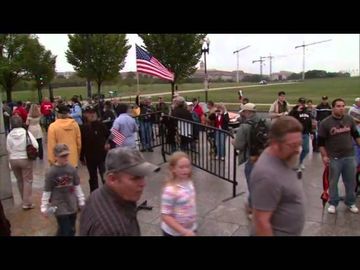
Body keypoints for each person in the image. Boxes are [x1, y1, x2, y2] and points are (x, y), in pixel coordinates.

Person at [80, 147, 160, 236]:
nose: (143, 184)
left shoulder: (97, 194)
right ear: (112, 179)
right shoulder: (111, 228)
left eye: (143, 176)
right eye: (136, 178)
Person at [250, 116, 305, 236]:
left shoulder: (285, 157)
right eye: (292, 145)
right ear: (275, 143)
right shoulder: (267, 176)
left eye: (299, 144)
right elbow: (261, 222)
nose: (298, 150)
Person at [318, 98, 360, 214]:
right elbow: (320, 143)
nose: (341, 108)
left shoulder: (349, 119)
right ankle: (333, 203)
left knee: (351, 181)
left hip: (349, 156)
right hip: (334, 157)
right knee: (333, 181)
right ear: (333, 107)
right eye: (338, 106)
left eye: (343, 106)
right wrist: (324, 156)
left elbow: (356, 135)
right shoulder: (325, 123)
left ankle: (350, 202)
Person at [232, 103, 271, 219]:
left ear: (247, 112)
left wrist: (233, 142)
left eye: (243, 112)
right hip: (266, 157)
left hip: (252, 158)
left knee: (252, 184)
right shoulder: (267, 122)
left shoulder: (244, 127)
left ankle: (252, 209)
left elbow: (239, 145)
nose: (243, 114)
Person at [40, 144, 85, 236]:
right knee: (66, 230)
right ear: (56, 156)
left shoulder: (72, 169)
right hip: (58, 206)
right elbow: (47, 190)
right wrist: (44, 207)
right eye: (62, 156)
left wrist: (81, 201)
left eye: (66, 155)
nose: (65, 158)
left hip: (72, 204)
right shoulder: (51, 172)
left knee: (71, 230)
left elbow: (77, 186)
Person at [161, 151, 197, 236]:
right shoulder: (170, 190)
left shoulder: (189, 182)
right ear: (173, 169)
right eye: (181, 167)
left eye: (187, 166)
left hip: (190, 228)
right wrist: (183, 231)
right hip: (174, 233)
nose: (185, 170)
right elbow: (166, 216)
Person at [6, 116, 38, 209]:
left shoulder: (9, 135)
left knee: (19, 180)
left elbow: (8, 148)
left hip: (13, 159)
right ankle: (27, 202)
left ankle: (23, 199)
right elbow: (35, 145)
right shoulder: (26, 133)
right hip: (25, 159)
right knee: (27, 180)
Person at [80, 105, 110, 192]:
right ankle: (94, 196)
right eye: (89, 113)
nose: (92, 115)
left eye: (93, 113)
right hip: (90, 157)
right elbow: (82, 143)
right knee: (93, 178)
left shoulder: (101, 125)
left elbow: (113, 135)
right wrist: (81, 157)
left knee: (104, 176)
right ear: (85, 115)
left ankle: (108, 195)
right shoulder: (83, 128)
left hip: (102, 156)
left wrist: (110, 144)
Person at [289, 97, 313, 171]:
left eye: (303, 103)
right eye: (300, 103)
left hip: (305, 133)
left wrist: (311, 132)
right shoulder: (294, 111)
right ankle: (291, 163)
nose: (302, 104)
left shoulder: (307, 112)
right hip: (296, 133)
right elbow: (290, 118)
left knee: (306, 149)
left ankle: (300, 161)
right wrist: (297, 111)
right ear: (298, 103)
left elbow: (309, 122)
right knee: (294, 150)